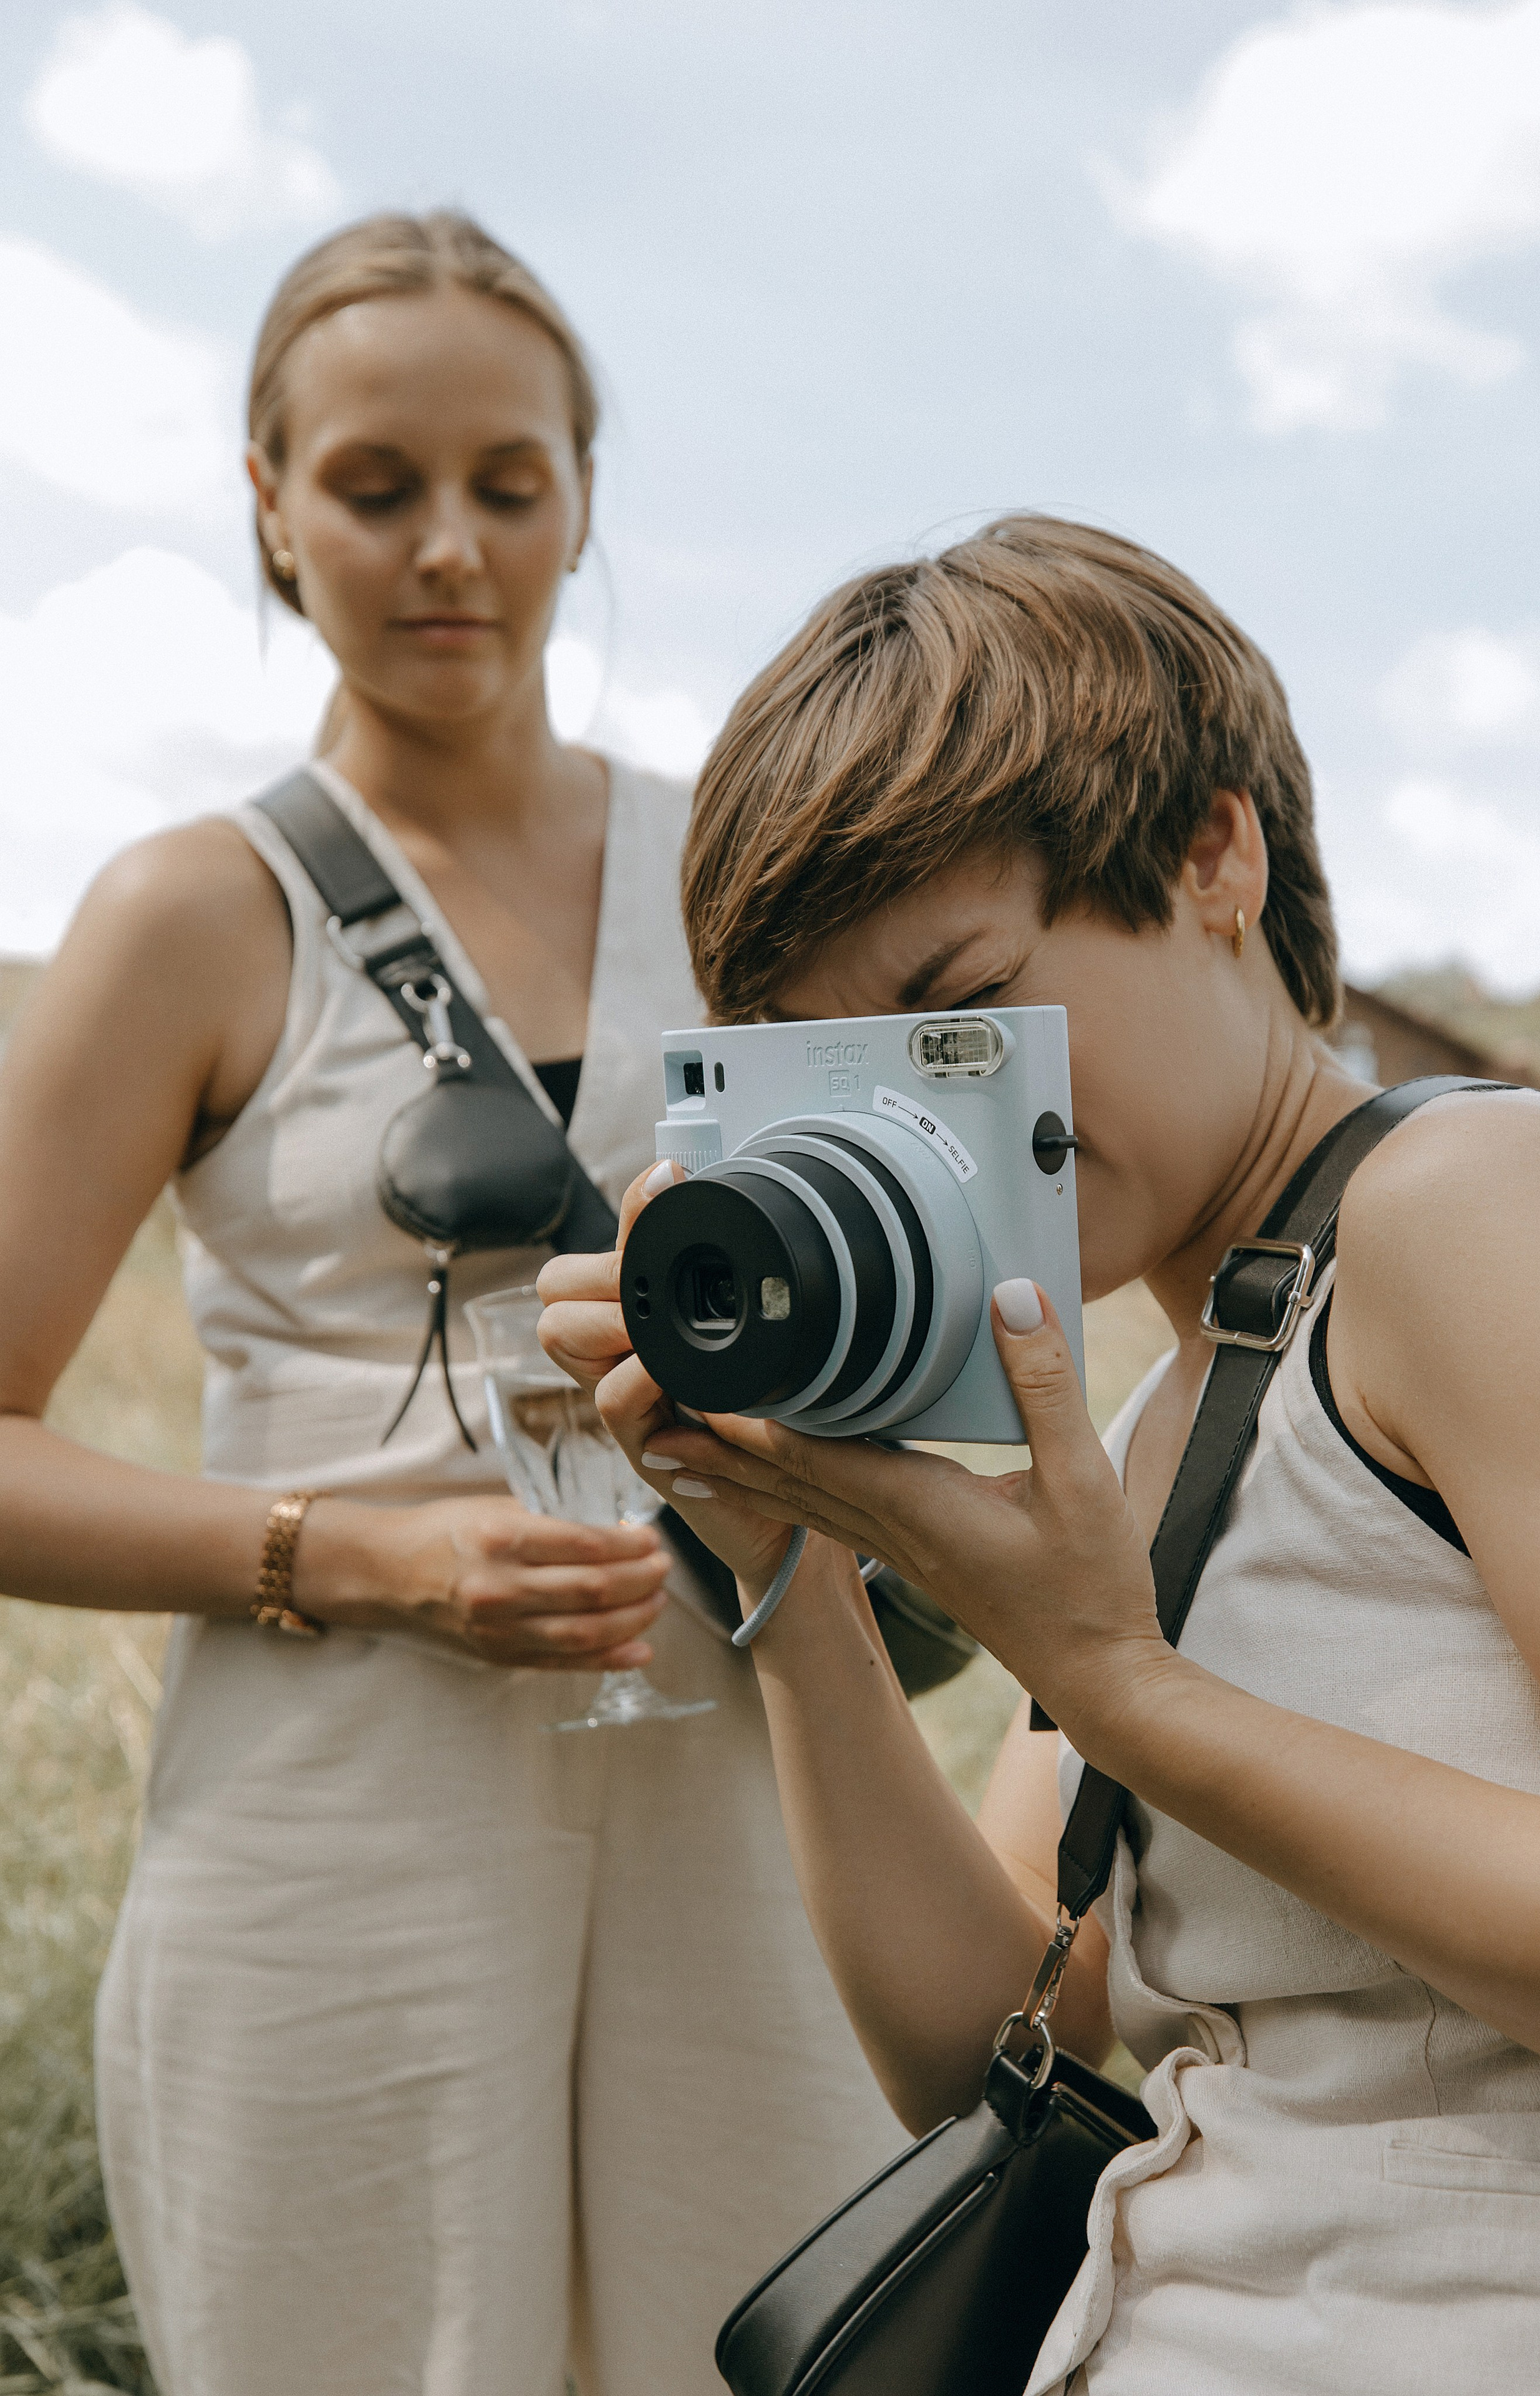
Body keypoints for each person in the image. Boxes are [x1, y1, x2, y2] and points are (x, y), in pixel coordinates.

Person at [540, 516, 1540, 2393]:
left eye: (959, 1011)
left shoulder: (1475, 1202)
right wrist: (786, 1567)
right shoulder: (1170, 1407)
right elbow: (993, 2035)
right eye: (835, 1066)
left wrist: (1113, 1676)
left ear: (1214, 853)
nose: (923, 1125)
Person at [0, 211, 899, 2396]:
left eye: (509, 484)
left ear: (584, 500)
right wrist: (365, 1557)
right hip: (335, 1824)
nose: (448, 550)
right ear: (269, 506)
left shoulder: (745, 879)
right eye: (377, 486)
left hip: (754, 1800)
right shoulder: (183, 914)